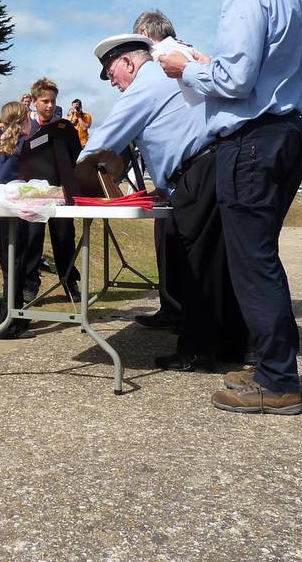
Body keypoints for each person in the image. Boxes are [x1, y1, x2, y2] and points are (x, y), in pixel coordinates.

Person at [159, 0, 302, 415]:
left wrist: (185, 67)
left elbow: (234, 82)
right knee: (262, 256)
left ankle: (277, 380)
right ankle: (273, 362)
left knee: (253, 262)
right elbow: (266, 71)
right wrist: (214, 67)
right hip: (287, 131)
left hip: (250, 140)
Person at [80, 28, 248, 373]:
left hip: (199, 173)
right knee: (217, 265)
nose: (112, 83)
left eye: (112, 74)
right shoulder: (167, 74)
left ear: (127, 62)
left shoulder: (143, 86)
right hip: (211, 168)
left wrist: (61, 179)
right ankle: (230, 348)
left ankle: (198, 351)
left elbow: (101, 143)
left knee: (194, 268)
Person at [0, 100, 38, 339]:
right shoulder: (25, 145)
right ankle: (11, 324)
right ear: (25, 118)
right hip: (14, 211)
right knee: (16, 265)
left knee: (8, 267)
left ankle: (9, 318)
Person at [25, 77, 79, 302]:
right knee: (32, 238)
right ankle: (29, 284)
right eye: (44, 101)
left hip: (61, 191)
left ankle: (69, 282)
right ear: (34, 102)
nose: (49, 105)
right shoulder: (27, 127)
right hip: (34, 193)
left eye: (53, 101)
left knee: (65, 238)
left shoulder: (64, 128)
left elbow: (77, 155)